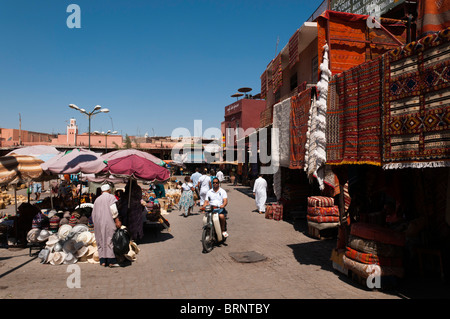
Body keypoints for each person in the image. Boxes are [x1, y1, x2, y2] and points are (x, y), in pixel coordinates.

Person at [91, 184, 122, 268]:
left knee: (100, 239)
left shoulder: (97, 199)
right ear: (109, 190)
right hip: (108, 222)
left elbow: (93, 213)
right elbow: (113, 210)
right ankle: (111, 261)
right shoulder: (110, 197)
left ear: (101, 191)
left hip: (98, 223)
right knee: (109, 239)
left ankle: (103, 261)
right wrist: (117, 220)